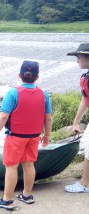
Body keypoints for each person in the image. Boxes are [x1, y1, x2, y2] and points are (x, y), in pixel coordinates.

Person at [0, 60, 52, 210]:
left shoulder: (13, 93)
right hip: (34, 136)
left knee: (11, 167)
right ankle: (27, 195)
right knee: (29, 164)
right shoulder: (44, 94)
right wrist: (47, 135)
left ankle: (7, 200)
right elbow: (48, 117)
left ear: (20, 75)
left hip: (16, 137)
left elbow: (4, 116)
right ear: (37, 77)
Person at [65, 43, 89, 193]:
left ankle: (84, 184)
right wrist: (76, 123)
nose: (77, 60)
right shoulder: (86, 77)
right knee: (87, 146)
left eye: (79, 57)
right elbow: (84, 100)